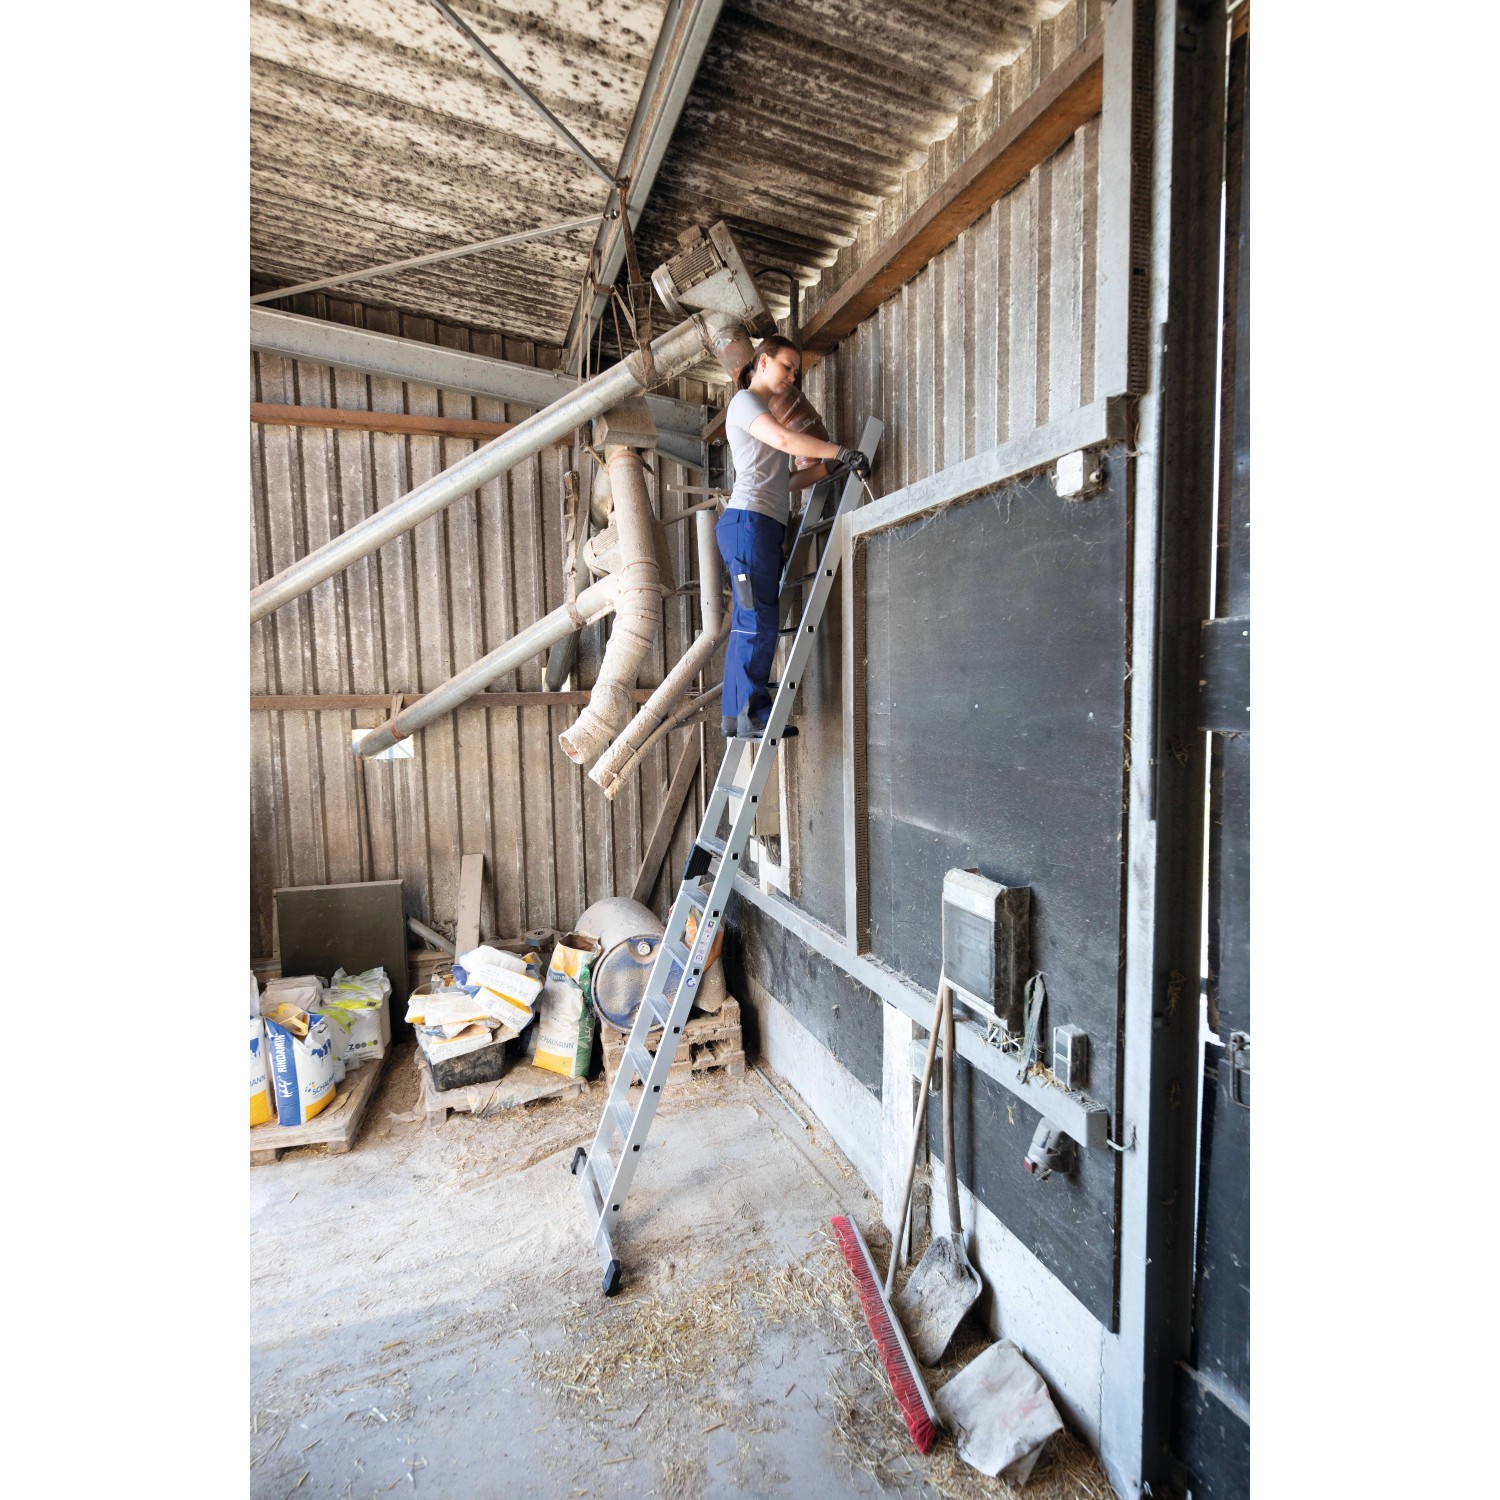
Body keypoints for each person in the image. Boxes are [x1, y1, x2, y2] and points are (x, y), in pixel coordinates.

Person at [717, 334, 870, 740]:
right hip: (749, 523)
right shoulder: (746, 402)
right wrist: (839, 451)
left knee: (751, 620)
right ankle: (752, 715)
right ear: (762, 361)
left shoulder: (760, 410)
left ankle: (735, 715)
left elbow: (780, 481)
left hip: (759, 523)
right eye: (787, 367)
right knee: (758, 619)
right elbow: (786, 442)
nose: (791, 377)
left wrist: (824, 472)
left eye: (796, 372)